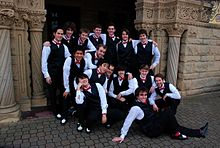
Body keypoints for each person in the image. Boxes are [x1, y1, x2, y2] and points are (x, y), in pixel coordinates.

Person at [112, 87, 208, 143]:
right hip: (152, 130)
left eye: (145, 95)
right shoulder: (135, 108)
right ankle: (176, 133)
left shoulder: (144, 102)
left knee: (174, 125)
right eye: (141, 95)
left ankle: (198, 132)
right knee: (168, 113)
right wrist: (122, 136)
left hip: (155, 123)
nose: (144, 97)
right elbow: (128, 121)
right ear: (137, 96)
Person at [41, 26, 71, 120]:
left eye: (62, 34)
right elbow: (44, 62)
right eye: (58, 33)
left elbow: (69, 57)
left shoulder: (64, 46)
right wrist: (46, 76)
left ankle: (63, 110)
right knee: (52, 93)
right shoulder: (48, 46)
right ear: (54, 34)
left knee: (63, 92)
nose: (60, 35)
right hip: (52, 73)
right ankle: (55, 111)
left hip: (61, 74)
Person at [62, 46, 93, 125]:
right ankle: (64, 116)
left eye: (81, 54)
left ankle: (79, 115)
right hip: (69, 82)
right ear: (74, 54)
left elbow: (87, 70)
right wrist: (67, 88)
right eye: (77, 53)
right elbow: (66, 75)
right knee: (66, 97)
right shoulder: (69, 60)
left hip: (78, 83)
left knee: (78, 99)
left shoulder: (84, 61)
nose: (79, 55)